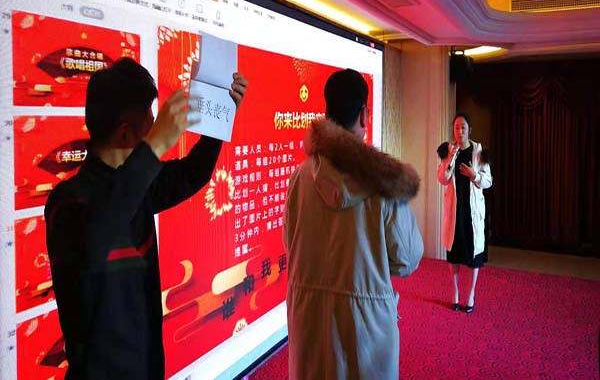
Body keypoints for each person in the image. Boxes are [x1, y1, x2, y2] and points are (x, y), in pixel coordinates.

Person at [44, 58, 247, 380]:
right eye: (152, 124)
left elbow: (193, 172)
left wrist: (221, 114)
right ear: (126, 133)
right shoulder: (67, 204)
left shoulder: (139, 186)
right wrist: (154, 148)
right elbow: (100, 230)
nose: (156, 129)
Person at [283, 68, 424, 380]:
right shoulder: (383, 183)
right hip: (366, 332)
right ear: (364, 115)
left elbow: (289, 242)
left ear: (327, 113)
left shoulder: (299, 177)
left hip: (310, 326)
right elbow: (407, 259)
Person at [437, 112, 492, 313]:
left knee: (474, 256)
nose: (460, 131)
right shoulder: (448, 150)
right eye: (457, 128)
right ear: (453, 130)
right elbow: (442, 179)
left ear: (469, 131)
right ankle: (455, 293)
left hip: (472, 212)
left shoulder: (478, 152)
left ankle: (470, 294)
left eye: (463, 128)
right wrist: (449, 160)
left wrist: (474, 175)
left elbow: (488, 181)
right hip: (455, 211)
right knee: (454, 254)